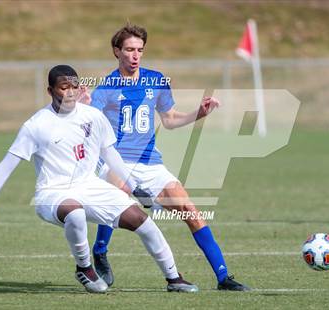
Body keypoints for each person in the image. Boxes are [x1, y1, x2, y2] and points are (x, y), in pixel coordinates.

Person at [0, 65, 198, 293]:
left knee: (142, 221)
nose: (70, 92)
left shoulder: (93, 116)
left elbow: (110, 154)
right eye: (63, 87)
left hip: (90, 186)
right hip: (52, 193)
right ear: (50, 91)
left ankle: (174, 278)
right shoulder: (36, 125)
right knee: (75, 212)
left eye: (74, 86)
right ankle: (84, 268)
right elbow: (5, 167)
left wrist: (135, 187)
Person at [89, 24, 250, 291]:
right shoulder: (106, 87)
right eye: (129, 49)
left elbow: (170, 119)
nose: (135, 55)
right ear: (116, 51)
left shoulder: (156, 81)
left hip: (151, 163)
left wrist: (198, 114)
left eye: (139, 50)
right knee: (119, 197)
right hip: (116, 160)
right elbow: (90, 122)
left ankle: (223, 278)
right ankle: (100, 250)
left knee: (190, 210)